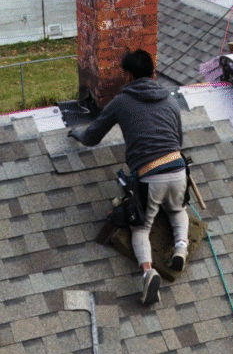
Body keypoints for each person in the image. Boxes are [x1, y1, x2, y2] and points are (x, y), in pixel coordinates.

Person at [70, 49, 189, 305]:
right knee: (177, 209)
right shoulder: (169, 99)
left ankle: (148, 272)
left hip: (149, 176)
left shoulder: (121, 102)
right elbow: (178, 140)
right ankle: (181, 247)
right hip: (178, 168)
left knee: (141, 227)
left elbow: (92, 137)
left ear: (128, 75)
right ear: (152, 71)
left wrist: (76, 134)